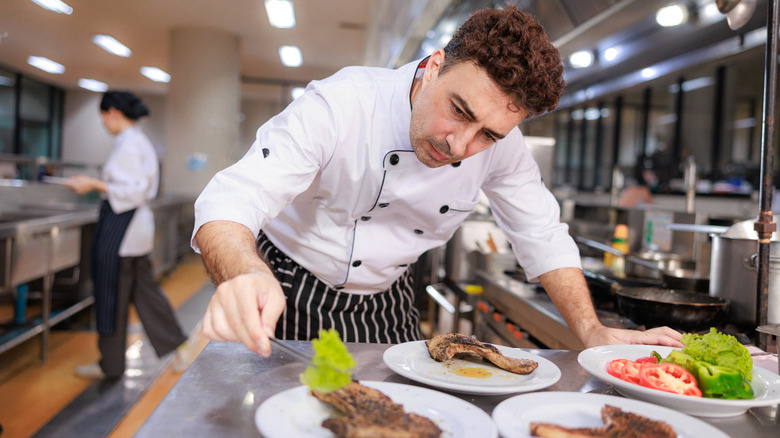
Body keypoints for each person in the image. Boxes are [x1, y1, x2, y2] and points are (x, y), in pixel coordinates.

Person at [192, 6, 683, 357]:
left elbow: (541, 234)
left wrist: (591, 329)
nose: (460, 145)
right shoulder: (341, 106)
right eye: (459, 110)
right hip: (285, 286)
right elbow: (231, 200)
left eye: (487, 133)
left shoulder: (502, 147)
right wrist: (247, 275)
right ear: (430, 69)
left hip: (387, 298)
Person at [67, 91, 198, 379]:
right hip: (130, 231)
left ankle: (111, 364)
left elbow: (134, 191)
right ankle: (181, 345)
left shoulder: (129, 144)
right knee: (145, 292)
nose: (103, 124)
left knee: (110, 295)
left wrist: (93, 184)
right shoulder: (135, 142)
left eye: (103, 117)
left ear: (112, 112)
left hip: (122, 231)